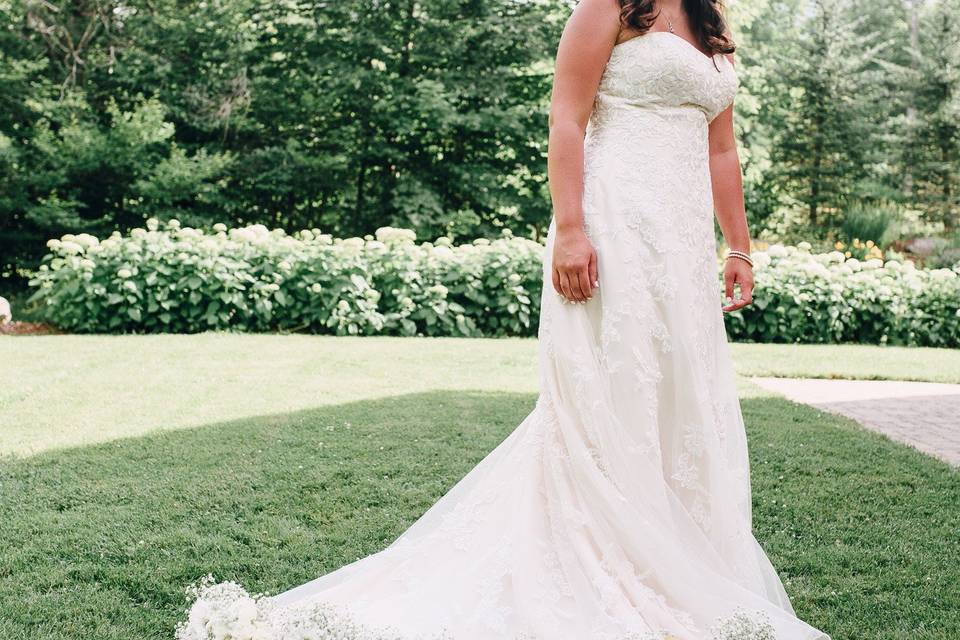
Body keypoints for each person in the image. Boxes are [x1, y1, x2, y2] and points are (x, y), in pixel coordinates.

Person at [178, 1, 831, 638]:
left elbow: (721, 150)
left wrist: (738, 245)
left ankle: (679, 563)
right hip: (613, 230)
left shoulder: (710, 21)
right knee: (608, 401)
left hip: (682, 249)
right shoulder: (607, 7)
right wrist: (573, 230)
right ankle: (604, 560)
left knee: (679, 401)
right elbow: (567, 119)